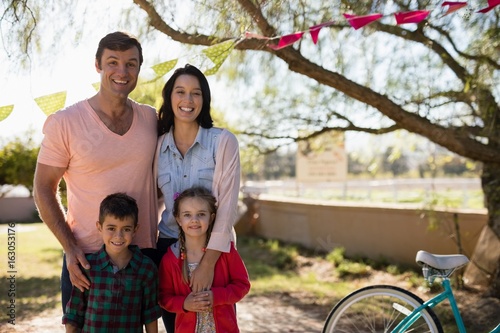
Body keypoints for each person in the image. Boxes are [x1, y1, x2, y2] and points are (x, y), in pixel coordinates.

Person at [33, 31, 158, 314]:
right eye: (112, 62)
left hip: (141, 254)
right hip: (88, 258)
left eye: (131, 63)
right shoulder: (65, 122)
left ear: (139, 68)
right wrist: (69, 247)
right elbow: (43, 187)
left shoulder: (150, 119)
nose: (122, 71)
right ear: (97, 65)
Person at [155, 64, 241, 332]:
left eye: (196, 93)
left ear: (205, 100)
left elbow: (226, 208)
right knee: (178, 325)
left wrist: (208, 263)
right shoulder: (158, 146)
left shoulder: (224, 142)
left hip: (214, 249)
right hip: (170, 248)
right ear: (170, 98)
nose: (188, 100)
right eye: (180, 91)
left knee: (215, 323)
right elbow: (152, 200)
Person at [63, 193, 162, 333]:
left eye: (126, 229)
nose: (118, 236)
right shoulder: (88, 267)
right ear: (99, 227)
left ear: (135, 230)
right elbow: (74, 314)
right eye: (111, 228)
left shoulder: (146, 268)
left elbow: (150, 313)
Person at [158, 187, 250, 333]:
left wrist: (217, 297)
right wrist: (184, 304)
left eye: (201, 214)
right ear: (178, 219)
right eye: (187, 215)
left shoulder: (226, 251)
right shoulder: (171, 258)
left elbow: (242, 285)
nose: (194, 220)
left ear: (212, 217)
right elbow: (163, 297)